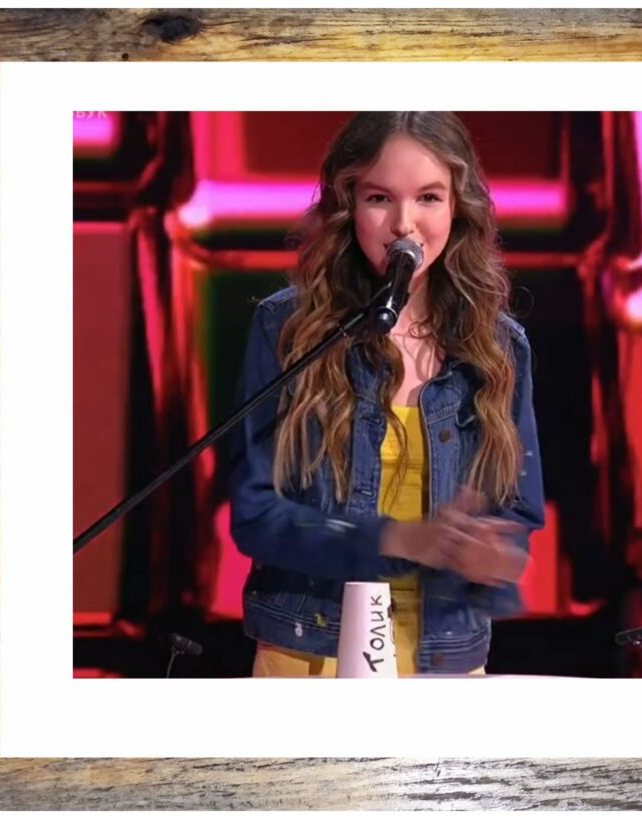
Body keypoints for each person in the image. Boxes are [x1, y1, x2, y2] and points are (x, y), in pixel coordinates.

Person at [229, 112, 545, 676]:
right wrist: (398, 539)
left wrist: (494, 554)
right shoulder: (289, 330)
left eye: (428, 198)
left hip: (447, 663)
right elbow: (255, 514)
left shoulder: (498, 347)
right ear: (348, 204)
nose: (404, 224)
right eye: (379, 198)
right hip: (309, 656)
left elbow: (517, 513)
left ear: (458, 207)